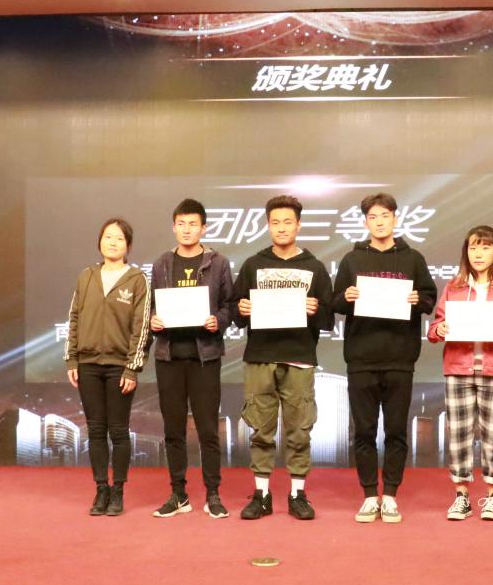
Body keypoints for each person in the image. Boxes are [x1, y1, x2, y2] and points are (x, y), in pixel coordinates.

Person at [331, 193, 437, 524]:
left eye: (385, 216)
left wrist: (418, 299)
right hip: (361, 357)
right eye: (373, 217)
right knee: (364, 431)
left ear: (395, 219)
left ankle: (390, 495)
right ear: (365, 222)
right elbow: (335, 301)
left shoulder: (413, 258)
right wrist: (347, 296)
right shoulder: (352, 260)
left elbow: (429, 298)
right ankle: (368, 496)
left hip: (400, 358)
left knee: (395, 431)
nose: (379, 222)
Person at [232, 195, 334, 520]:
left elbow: (329, 319)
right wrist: (241, 309)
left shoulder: (314, 267)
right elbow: (235, 312)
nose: (281, 228)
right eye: (275, 222)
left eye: (287, 222)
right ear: (268, 225)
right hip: (260, 357)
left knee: (299, 429)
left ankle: (297, 494)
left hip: (299, 357)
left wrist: (315, 310)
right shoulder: (254, 264)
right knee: (260, 429)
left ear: (299, 225)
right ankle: (261, 495)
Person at [427, 225, 493, 521]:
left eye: (485, 247)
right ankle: (461, 497)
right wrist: (440, 329)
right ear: (466, 252)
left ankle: (491, 497)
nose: (478, 253)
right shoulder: (454, 288)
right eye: (473, 247)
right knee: (458, 435)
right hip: (458, 369)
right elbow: (434, 330)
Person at [148, 199, 235, 519]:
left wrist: (218, 321)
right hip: (169, 356)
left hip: (205, 357)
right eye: (181, 224)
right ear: (174, 227)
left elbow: (229, 305)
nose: (187, 230)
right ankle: (178, 494)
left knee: (208, 429)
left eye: (193, 224)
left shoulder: (218, 263)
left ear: (204, 228)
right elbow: (152, 306)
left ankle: (213, 494)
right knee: (173, 430)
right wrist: (154, 319)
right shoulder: (161, 263)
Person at [65, 218, 151, 517]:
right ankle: (101, 488)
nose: (112, 242)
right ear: (99, 241)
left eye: (119, 238)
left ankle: (118, 491)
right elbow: (74, 318)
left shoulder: (137, 279)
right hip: (87, 364)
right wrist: (72, 358)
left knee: (119, 431)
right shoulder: (86, 276)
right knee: (95, 430)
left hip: (119, 367)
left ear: (128, 245)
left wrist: (132, 368)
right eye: (107, 237)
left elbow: (141, 328)